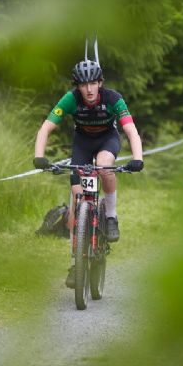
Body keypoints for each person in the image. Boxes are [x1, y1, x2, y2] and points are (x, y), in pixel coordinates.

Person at [33, 59, 144, 287]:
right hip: (82, 144)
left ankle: (111, 217)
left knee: (104, 165)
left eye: (93, 83)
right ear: (78, 87)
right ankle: (76, 264)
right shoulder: (71, 99)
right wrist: (39, 156)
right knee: (75, 207)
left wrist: (137, 158)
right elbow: (46, 126)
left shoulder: (113, 98)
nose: (89, 89)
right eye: (84, 85)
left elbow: (131, 130)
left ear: (100, 82)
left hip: (107, 140)